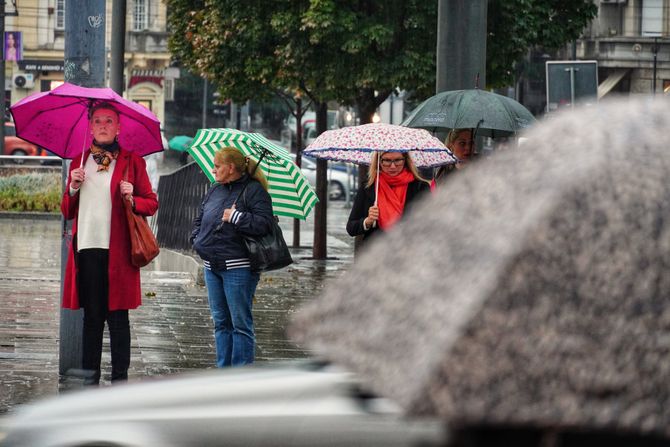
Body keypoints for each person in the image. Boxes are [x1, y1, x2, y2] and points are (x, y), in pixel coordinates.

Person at [61, 102, 158, 385]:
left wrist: (132, 196)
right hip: (87, 248)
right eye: (98, 121)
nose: (103, 125)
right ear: (90, 127)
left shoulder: (132, 161)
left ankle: (120, 381)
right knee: (92, 318)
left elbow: (151, 203)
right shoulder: (78, 162)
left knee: (118, 319)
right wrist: (73, 186)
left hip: (119, 251)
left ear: (118, 127)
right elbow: (67, 210)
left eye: (109, 121)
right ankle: (90, 379)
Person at [190, 147, 273, 367]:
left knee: (240, 324)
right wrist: (196, 240)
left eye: (217, 166)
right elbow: (200, 218)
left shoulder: (254, 191)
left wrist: (236, 216)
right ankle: (223, 372)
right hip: (212, 266)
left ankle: (240, 375)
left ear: (231, 167)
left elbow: (265, 224)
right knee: (220, 323)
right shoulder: (215, 189)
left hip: (238, 267)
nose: (213, 169)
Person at [347, 151, 430, 249]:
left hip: (410, 254)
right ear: (379, 161)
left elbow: (429, 225)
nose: (393, 166)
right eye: (387, 160)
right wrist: (367, 221)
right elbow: (351, 228)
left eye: (398, 160)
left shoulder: (420, 187)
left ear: (405, 160)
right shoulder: (369, 187)